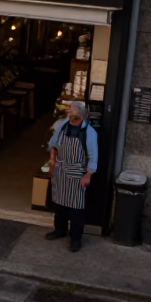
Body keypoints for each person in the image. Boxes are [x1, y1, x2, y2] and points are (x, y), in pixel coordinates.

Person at [46, 101, 98, 252]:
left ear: (83, 118)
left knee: (77, 208)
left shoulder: (90, 133)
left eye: (75, 118)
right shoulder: (61, 126)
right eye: (70, 117)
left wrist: (88, 174)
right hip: (60, 170)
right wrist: (52, 162)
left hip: (78, 173)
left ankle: (76, 238)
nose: (72, 121)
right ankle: (59, 230)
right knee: (59, 204)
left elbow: (93, 157)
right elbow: (53, 145)